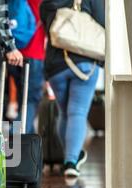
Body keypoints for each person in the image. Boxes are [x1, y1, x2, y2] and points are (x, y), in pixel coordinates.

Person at [40, 0, 104, 178]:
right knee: (78, 112)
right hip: (85, 63)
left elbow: (48, 29)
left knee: (65, 113)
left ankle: (70, 156)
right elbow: (103, 25)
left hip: (55, 66)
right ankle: (71, 161)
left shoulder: (47, 3)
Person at [8, 0, 46, 134]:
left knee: (22, 98)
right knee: (31, 100)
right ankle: (16, 136)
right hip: (34, 55)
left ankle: (28, 144)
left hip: (12, 52)